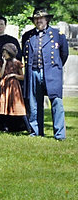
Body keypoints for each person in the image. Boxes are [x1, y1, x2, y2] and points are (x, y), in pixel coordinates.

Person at [21, 8, 69, 140]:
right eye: (36, 19)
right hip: (32, 72)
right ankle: (36, 132)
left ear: (47, 19)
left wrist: (54, 68)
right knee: (34, 103)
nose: (38, 21)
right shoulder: (27, 35)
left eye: (41, 18)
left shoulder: (57, 34)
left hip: (52, 72)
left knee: (56, 102)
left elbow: (64, 54)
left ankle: (59, 134)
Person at [0, 43, 26, 126]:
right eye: (3, 52)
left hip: (13, 86)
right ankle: (4, 125)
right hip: (4, 85)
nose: (3, 54)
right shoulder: (1, 62)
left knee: (14, 103)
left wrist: (14, 75)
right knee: (4, 103)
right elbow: (0, 75)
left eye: (5, 52)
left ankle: (22, 124)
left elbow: (23, 76)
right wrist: (4, 64)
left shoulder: (17, 63)